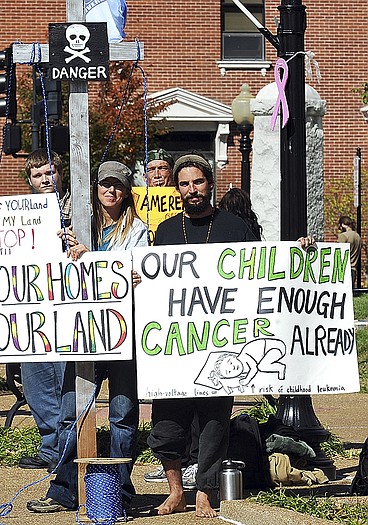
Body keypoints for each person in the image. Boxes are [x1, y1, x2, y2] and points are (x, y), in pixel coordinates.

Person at [27, 161, 147, 513]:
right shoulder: (77, 225)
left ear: (126, 192)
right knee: (70, 413)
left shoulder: (137, 230)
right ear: (95, 188)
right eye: (105, 184)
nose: (111, 191)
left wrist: (92, 257)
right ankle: (65, 488)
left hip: (123, 334)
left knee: (123, 417)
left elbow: (126, 270)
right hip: (82, 334)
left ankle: (120, 494)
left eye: (118, 186)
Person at [147, 154, 258, 518]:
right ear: (176, 188)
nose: (191, 190)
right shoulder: (164, 231)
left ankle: (205, 493)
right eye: (184, 184)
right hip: (173, 347)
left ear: (209, 184)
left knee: (213, 421)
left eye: (198, 182)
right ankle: (176, 491)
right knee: (167, 422)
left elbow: (262, 272)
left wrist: (302, 251)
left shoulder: (233, 227)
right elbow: (155, 284)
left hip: (219, 344)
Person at [17, 149, 72, 471]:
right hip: (29, 309)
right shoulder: (19, 214)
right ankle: (49, 445)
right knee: (36, 381)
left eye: (49, 173)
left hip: (66, 307)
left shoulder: (78, 208)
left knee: (65, 379)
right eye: (38, 175)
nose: (45, 179)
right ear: (30, 180)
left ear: (60, 174)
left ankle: (68, 445)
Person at [336, 215, 361, 286]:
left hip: (343, 270)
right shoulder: (358, 236)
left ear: (343, 224)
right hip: (353, 269)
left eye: (340, 226)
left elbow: (337, 252)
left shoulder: (343, 236)